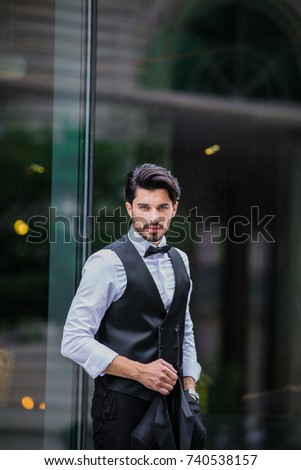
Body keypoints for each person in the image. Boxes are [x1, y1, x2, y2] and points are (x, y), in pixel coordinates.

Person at [61, 163, 206, 450]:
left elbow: (183, 329)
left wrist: (190, 389)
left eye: (162, 207)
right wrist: (141, 372)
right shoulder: (106, 263)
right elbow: (73, 340)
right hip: (121, 408)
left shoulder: (181, 259)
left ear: (174, 209)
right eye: (144, 207)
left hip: (175, 406)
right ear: (129, 209)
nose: (153, 217)